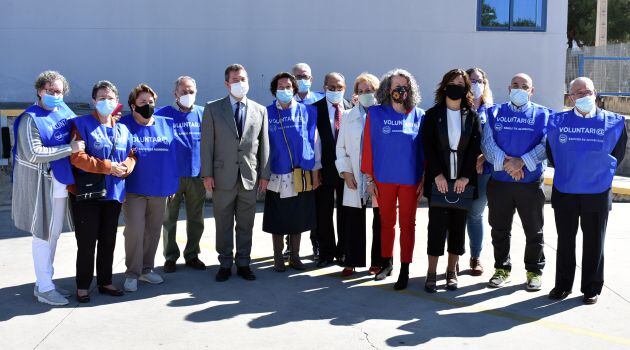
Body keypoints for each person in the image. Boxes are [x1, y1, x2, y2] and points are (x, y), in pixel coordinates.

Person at [547, 77, 627, 305]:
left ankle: (591, 287)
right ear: (570, 97)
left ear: (596, 94)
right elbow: (552, 154)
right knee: (565, 241)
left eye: (587, 92)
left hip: (598, 191)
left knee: (594, 242)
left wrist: (596, 172)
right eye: (577, 93)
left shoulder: (615, 122)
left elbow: (618, 155)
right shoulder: (557, 122)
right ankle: (562, 285)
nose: (583, 96)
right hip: (566, 189)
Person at [12, 70, 83, 306]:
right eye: (50, 91)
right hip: (43, 185)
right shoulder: (30, 119)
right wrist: (70, 149)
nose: (55, 95)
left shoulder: (63, 110)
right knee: (42, 234)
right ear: (39, 91)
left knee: (54, 234)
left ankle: (45, 281)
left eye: (58, 91)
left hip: (62, 182)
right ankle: (44, 287)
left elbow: (77, 132)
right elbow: (34, 153)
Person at [481, 73, 552, 291]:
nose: (519, 89)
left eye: (524, 86)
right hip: (500, 182)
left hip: (529, 183)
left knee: (534, 230)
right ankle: (502, 268)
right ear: (508, 88)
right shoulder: (494, 112)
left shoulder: (545, 114)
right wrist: (508, 165)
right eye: (515, 85)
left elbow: (545, 145)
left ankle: (534, 271)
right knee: (499, 229)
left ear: (532, 91)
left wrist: (522, 162)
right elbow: (487, 143)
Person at [200, 64, 270, 282]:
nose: (241, 83)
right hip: (222, 176)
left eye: (244, 79)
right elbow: (207, 145)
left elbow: (264, 145)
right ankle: (224, 262)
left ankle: (243, 262)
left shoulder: (260, 110)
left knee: (246, 222)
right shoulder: (213, 108)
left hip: (249, 177)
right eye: (236, 79)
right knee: (223, 221)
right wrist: (207, 174)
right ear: (227, 83)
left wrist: (264, 175)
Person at [68, 81, 135, 302]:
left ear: (117, 102)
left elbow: (133, 154)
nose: (107, 101)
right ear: (94, 101)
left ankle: (105, 281)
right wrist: (108, 167)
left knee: (108, 239)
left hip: (114, 193)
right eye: (102, 98)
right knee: (87, 242)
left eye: (111, 98)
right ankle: (83, 285)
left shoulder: (123, 128)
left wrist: (125, 167)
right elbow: (77, 157)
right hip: (88, 194)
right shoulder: (81, 124)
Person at [361, 69, 425, 290]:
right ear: (388, 89)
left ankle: (405, 268)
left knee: (408, 225)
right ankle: (386, 263)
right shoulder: (376, 114)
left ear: (410, 90)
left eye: (405, 86)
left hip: (410, 180)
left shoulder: (419, 115)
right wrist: (369, 179)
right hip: (383, 179)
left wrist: (424, 178)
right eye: (396, 86)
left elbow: (424, 152)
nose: (400, 90)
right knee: (386, 223)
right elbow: (367, 147)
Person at [422, 69, 482, 292]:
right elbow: (427, 147)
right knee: (436, 227)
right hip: (439, 180)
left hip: (462, 182)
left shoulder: (472, 116)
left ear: (466, 89)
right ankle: (431, 273)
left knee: (458, 228)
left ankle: (451, 272)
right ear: (445, 85)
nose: (456, 86)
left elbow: (475, 148)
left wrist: (465, 177)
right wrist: (437, 174)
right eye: (452, 82)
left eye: (461, 83)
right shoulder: (432, 115)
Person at [120, 84, 179, 292]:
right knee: (135, 230)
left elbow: (172, 157)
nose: (148, 105)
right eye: (143, 102)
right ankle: (132, 273)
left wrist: (172, 185)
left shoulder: (166, 124)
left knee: (153, 231)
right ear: (133, 106)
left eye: (151, 102)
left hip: (160, 188)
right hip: (133, 189)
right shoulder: (123, 125)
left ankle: (146, 269)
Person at [262, 72, 321, 271]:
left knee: (297, 216)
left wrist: (315, 172)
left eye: (288, 87)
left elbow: (314, 142)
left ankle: (294, 256)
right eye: (281, 87)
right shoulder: (266, 113)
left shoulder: (307, 112)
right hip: (276, 173)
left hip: (300, 173)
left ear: (294, 89)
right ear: (274, 90)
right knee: (277, 217)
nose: (285, 90)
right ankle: (278, 257)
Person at [335, 72, 383, 276]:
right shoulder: (348, 116)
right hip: (355, 174)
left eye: (369, 90)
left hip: (379, 176)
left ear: (377, 92)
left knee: (380, 219)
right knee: (354, 219)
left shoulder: (385, 114)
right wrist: (345, 173)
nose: (365, 94)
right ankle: (351, 260)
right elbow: (341, 148)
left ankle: (379, 261)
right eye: (361, 91)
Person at [157, 76, 207, 273]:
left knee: (196, 218)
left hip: (197, 176)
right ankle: (170, 257)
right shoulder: (163, 115)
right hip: (172, 177)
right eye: (184, 91)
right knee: (169, 219)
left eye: (191, 91)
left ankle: (192, 255)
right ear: (175, 93)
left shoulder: (203, 114)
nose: (188, 95)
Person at [284, 63, 325, 259]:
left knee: (315, 206)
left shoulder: (321, 101)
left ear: (312, 78)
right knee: (292, 204)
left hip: (315, 163)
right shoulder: (283, 101)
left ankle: (316, 244)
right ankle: (289, 245)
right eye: (298, 76)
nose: (302, 80)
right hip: (292, 164)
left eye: (305, 76)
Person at [312, 72, 353, 268]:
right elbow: (311, 142)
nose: (336, 91)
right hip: (324, 169)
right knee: (323, 213)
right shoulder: (314, 109)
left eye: (340, 87)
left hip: (347, 170)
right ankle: (326, 253)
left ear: (345, 88)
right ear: (324, 87)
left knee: (346, 212)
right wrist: (315, 170)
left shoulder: (352, 109)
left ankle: (343, 251)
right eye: (331, 87)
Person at [465, 67, 494, 276]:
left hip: (484, 171)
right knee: (454, 215)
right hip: (459, 171)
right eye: (472, 80)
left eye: (480, 80)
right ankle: (452, 257)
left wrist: (483, 157)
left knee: (475, 215)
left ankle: (475, 257)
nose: (476, 84)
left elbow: (496, 141)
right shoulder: (457, 108)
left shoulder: (492, 111)